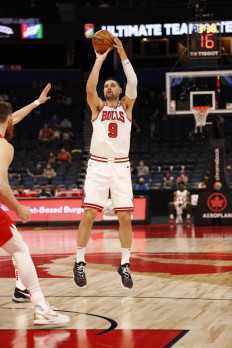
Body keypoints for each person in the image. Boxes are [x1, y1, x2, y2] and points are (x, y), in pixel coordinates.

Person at [73, 36, 137, 290]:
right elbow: (89, 89)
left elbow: (133, 81)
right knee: (89, 213)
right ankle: (79, 261)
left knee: (125, 218)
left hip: (121, 166)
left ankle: (125, 264)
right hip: (98, 165)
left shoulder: (127, 108)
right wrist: (99, 59)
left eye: (113, 85)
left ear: (120, 91)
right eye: (106, 85)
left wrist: (121, 53)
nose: (108, 87)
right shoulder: (97, 108)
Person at [0, 99, 69, 324]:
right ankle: (40, 307)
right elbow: (1, 185)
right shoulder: (3, 146)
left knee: (19, 247)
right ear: (9, 121)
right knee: (20, 249)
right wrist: (19, 208)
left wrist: (36, 102)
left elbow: (13, 117)